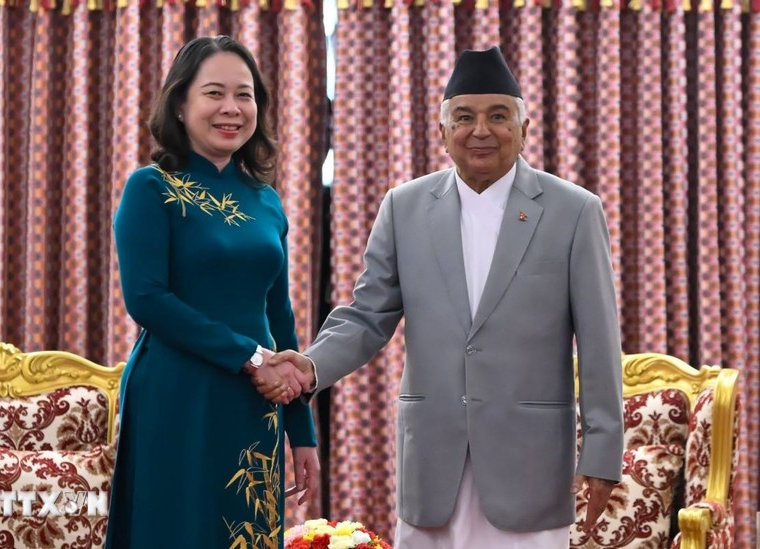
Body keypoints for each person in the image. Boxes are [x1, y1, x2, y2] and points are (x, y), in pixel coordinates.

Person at [262, 47, 623, 548]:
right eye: (464, 117)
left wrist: (604, 452)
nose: (481, 130)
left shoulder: (573, 211)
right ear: (442, 133)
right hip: (434, 459)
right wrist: (309, 366)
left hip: (530, 462)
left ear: (524, 129)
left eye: (498, 116)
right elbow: (367, 315)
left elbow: (601, 340)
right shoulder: (404, 206)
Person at [105, 35, 319, 548]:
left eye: (244, 95)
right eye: (214, 93)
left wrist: (301, 429)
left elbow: (279, 315)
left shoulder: (266, 200)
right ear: (180, 104)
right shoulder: (150, 188)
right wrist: (249, 357)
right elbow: (148, 300)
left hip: (254, 399)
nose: (231, 108)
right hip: (177, 394)